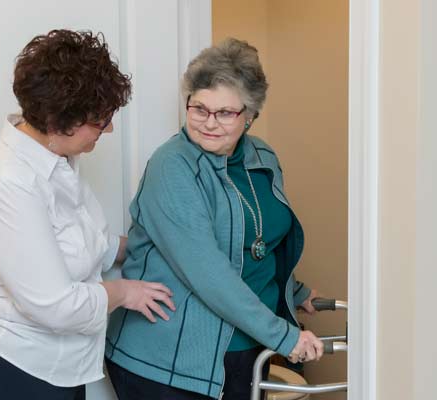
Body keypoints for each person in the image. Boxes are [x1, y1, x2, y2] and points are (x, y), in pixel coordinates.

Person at [0, 29, 175, 400]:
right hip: (6, 371)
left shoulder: (57, 159)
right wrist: (124, 292)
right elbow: (55, 305)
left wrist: (152, 246)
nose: (109, 128)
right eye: (100, 120)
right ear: (59, 120)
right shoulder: (10, 180)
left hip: (59, 369)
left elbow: (88, 245)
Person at [105, 38, 324, 400]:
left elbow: (258, 243)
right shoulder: (172, 167)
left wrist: (293, 290)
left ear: (250, 114)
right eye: (198, 109)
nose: (209, 123)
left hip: (249, 347)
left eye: (225, 113)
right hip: (169, 361)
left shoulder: (263, 158)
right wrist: (284, 335)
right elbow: (208, 272)